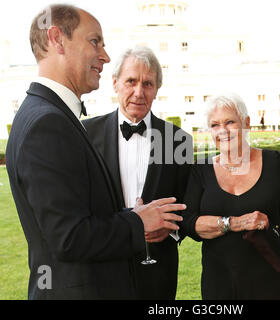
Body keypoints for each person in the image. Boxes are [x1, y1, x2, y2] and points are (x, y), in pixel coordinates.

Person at [5, 5, 184, 300]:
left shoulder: (49, 115)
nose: (105, 55)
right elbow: (69, 237)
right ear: (57, 39)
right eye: (94, 41)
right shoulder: (47, 123)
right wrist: (139, 222)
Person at [83, 46, 193, 299]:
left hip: (158, 270)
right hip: (103, 266)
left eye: (148, 84)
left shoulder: (178, 140)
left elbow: (189, 204)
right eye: (131, 81)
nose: (139, 92)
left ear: (156, 90)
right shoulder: (86, 135)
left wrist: (171, 230)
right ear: (115, 83)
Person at [181, 93, 280, 299]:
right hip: (218, 284)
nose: (222, 131)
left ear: (246, 123)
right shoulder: (201, 170)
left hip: (269, 280)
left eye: (230, 122)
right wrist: (235, 223)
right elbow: (188, 222)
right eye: (214, 125)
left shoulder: (273, 163)